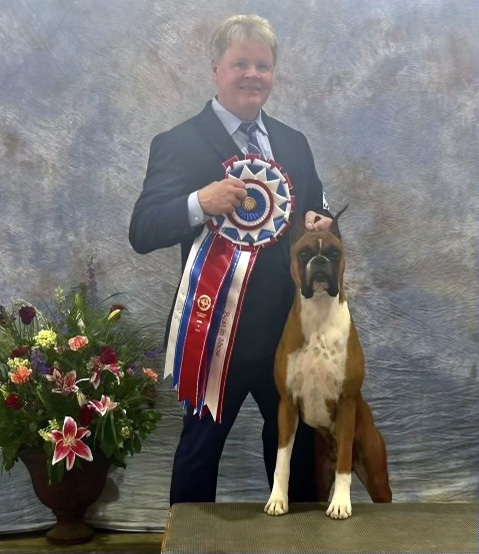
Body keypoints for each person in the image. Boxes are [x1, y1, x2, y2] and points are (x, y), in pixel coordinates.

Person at [129, 14, 333, 505]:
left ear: (273, 73)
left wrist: (321, 223)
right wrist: (199, 202)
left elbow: (316, 210)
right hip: (214, 333)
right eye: (241, 63)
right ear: (216, 69)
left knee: (294, 447)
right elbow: (143, 230)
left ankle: (299, 538)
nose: (252, 75)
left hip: (288, 330)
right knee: (199, 452)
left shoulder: (293, 142)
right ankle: (187, 537)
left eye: (262, 65)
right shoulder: (178, 142)